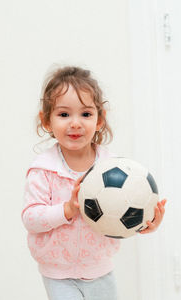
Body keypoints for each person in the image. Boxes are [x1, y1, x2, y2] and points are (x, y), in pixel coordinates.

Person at [22, 66, 166, 300]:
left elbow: (123, 212)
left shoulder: (114, 169)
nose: (75, 123)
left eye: (86, 114)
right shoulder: (43, 170)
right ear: (46, 120)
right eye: (64, 114)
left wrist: (145, 223)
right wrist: (66, 210)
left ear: (100, 119)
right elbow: (30, 219)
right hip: (58, 274)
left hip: (101, 270)